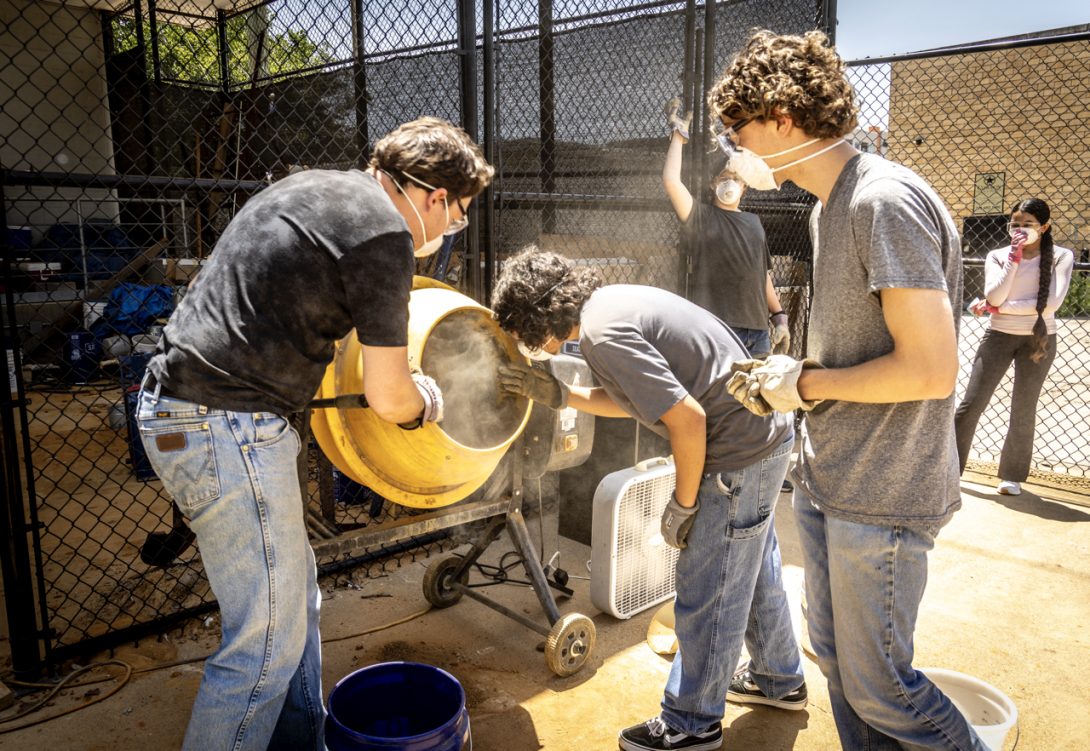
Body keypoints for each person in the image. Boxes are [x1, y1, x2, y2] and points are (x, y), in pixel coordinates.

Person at [136, 117, 493, 751]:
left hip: (181, 408)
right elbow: (390, 397)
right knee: (262, 650)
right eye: (458, 214)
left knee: (292, 608)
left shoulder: (310, 190)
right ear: (434, 196)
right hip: (229, 424)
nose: (451, 229)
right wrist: (428, 402)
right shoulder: (385, 232)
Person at [711, 30, 989, 750]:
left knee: (883, 686)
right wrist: (794, 373)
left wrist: (802, 382)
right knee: (838, 664)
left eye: (740, 132)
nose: (739, 151)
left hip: (885, 488)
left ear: (780, 117)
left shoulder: (883, 201)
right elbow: (861, 344)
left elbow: (930, 369)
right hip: (832, 477)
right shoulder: (826, 205)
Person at [492, 249, 806, 751]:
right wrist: (559, 394)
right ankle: (779, 678)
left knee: (709, 584)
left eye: (524, 333)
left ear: (538, 317)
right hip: (766, 437)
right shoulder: (610, 305)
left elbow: (688, 420)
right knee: (750, 563)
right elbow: (640, 397)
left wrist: (683, 505)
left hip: (738, 453)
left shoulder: (600, 335)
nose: (528, 346)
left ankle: (690, 722)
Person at [956, 198, 1074, 495]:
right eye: (1015, 224)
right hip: (997, 336)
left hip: (1040, 338)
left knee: (1024, 407)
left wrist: (1001, 308)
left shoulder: (1061, 256)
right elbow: (994, 297)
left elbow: (1052, 304)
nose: (1019, 230)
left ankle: (1011, 476)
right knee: (972, 403)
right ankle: (950, 468)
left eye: (1028, 225)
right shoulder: (997, 255)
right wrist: (1014, 257)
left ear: (1044, 227)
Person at [663, 98, 790, 359]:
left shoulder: (754, 222)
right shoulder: (701, 216)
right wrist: (678, 136)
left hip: (758, 333)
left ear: (745, 186)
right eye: (724, 178)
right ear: (713, 184)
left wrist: (779, 317)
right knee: (721, 397)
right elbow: (671, 181)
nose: (730, 184)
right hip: (718, 329)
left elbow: (761, 274)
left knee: (755, 398)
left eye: (736, 179)